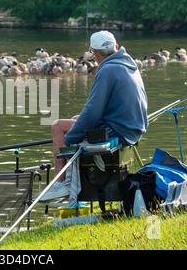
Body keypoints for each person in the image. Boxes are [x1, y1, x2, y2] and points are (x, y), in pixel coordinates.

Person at [41, 30, 148, 201]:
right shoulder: (129, 64)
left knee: (58, 127)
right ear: (116, 47)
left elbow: (93, 112)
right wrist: (78, 124)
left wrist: (71, 139)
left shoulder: (107, 70)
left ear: (95, 53)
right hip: (134, 127)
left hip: (119, 130)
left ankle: (61, 183)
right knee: (77, 119)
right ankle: (67, 179)